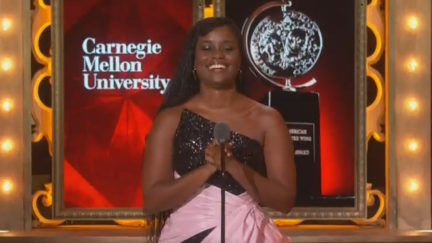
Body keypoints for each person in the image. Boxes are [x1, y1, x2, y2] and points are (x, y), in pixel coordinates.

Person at [142, 17, 296, 243]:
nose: (217, 55)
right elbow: (153, 200)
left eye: (227, 48)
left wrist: (233, 166)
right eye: (207, 48)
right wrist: (208, 169)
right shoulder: (171, 119)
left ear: (240, 58)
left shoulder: (268, 119)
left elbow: (284, 201)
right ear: (194, 60)